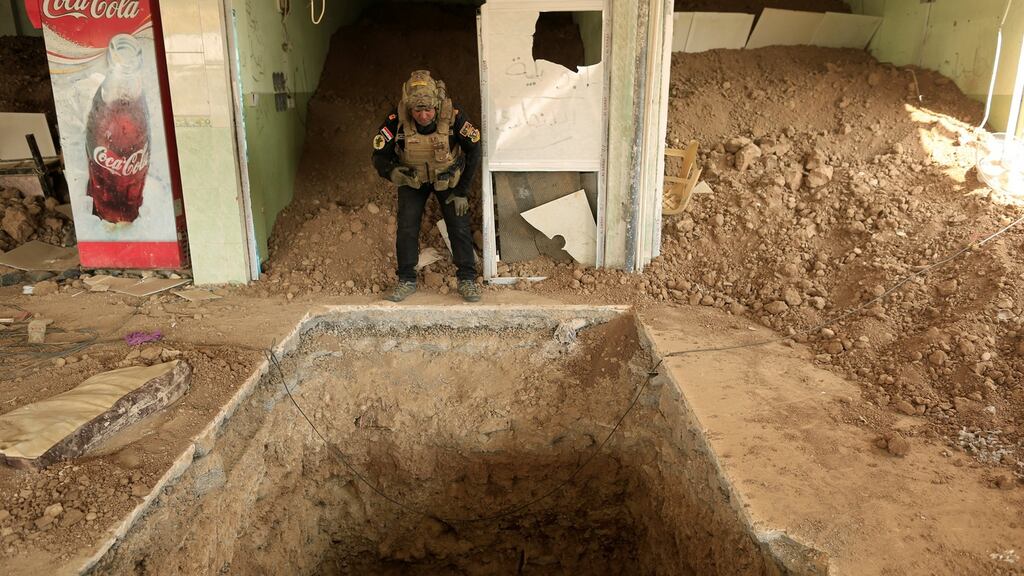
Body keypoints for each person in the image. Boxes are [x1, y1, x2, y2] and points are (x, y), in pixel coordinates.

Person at [372, 70, 482, 302]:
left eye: (428, 110)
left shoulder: (453, 116)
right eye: (417, 110)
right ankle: (406, 279)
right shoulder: (397, 119)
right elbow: (379, 154)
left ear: (437, 105)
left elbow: (475, 149)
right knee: (407, 228)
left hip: (447, 178)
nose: (423, 116)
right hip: (413, 180)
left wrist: (462, 190)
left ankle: (467, 279)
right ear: (409, 108)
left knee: (458, 226)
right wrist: (393, 172)